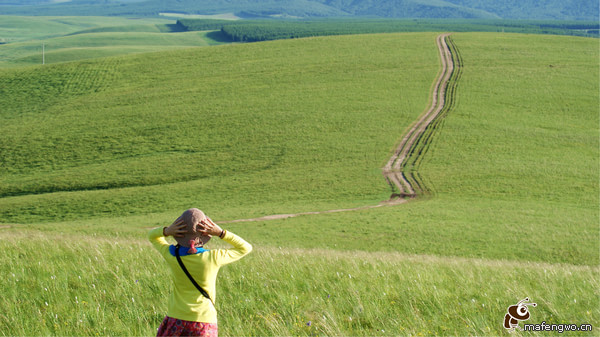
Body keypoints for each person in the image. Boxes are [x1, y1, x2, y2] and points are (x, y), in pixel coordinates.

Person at [148, 208, 252, 337]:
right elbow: (246, 248)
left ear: (179, 232)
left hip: (176, 317)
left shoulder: (171, 254)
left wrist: (166, 231)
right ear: (205, 233)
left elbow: (152, 236)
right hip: (204, 321)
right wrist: (220, 233)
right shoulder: (213, 258)